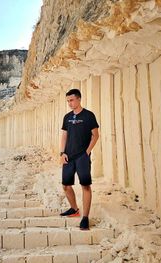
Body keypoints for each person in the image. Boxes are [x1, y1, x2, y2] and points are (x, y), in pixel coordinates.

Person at [59, 88, 99, 230]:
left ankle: (85, 218)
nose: (69, 103)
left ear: (79, 99)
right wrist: (62, 153)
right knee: (66, 185)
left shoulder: (89, 116)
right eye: (68, 101)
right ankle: (74, 209)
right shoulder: (67, 117)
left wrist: (87, 152)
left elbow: (95, 135)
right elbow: (64, 136)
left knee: (85, 185)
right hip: (68, 156)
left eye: (72, 100)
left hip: (82, 156)